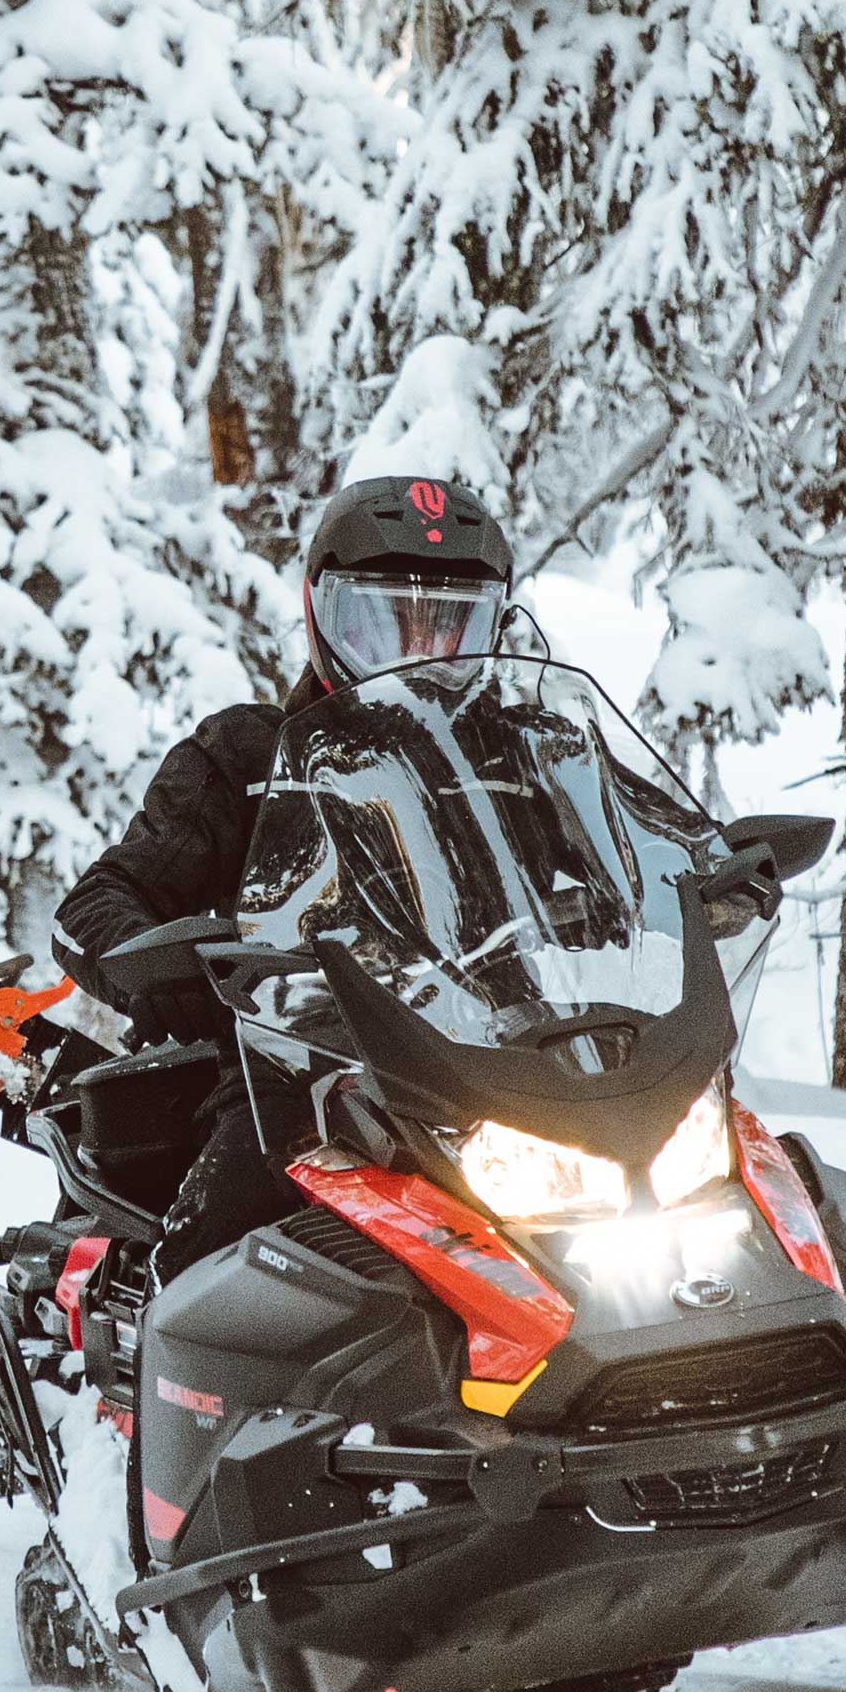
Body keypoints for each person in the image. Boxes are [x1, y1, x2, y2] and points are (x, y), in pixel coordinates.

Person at [51, 475, 519, 1274]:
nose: (416, 653)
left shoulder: (523, 763)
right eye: (381, 622)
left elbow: (638, 854)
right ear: (321, 617)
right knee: (227, 1227)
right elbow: (97, 903)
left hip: (508, 1071)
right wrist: (172, 971)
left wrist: (711, 878)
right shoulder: (248, 757)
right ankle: (147, 1373)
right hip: (303, 1080)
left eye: (448, 624)